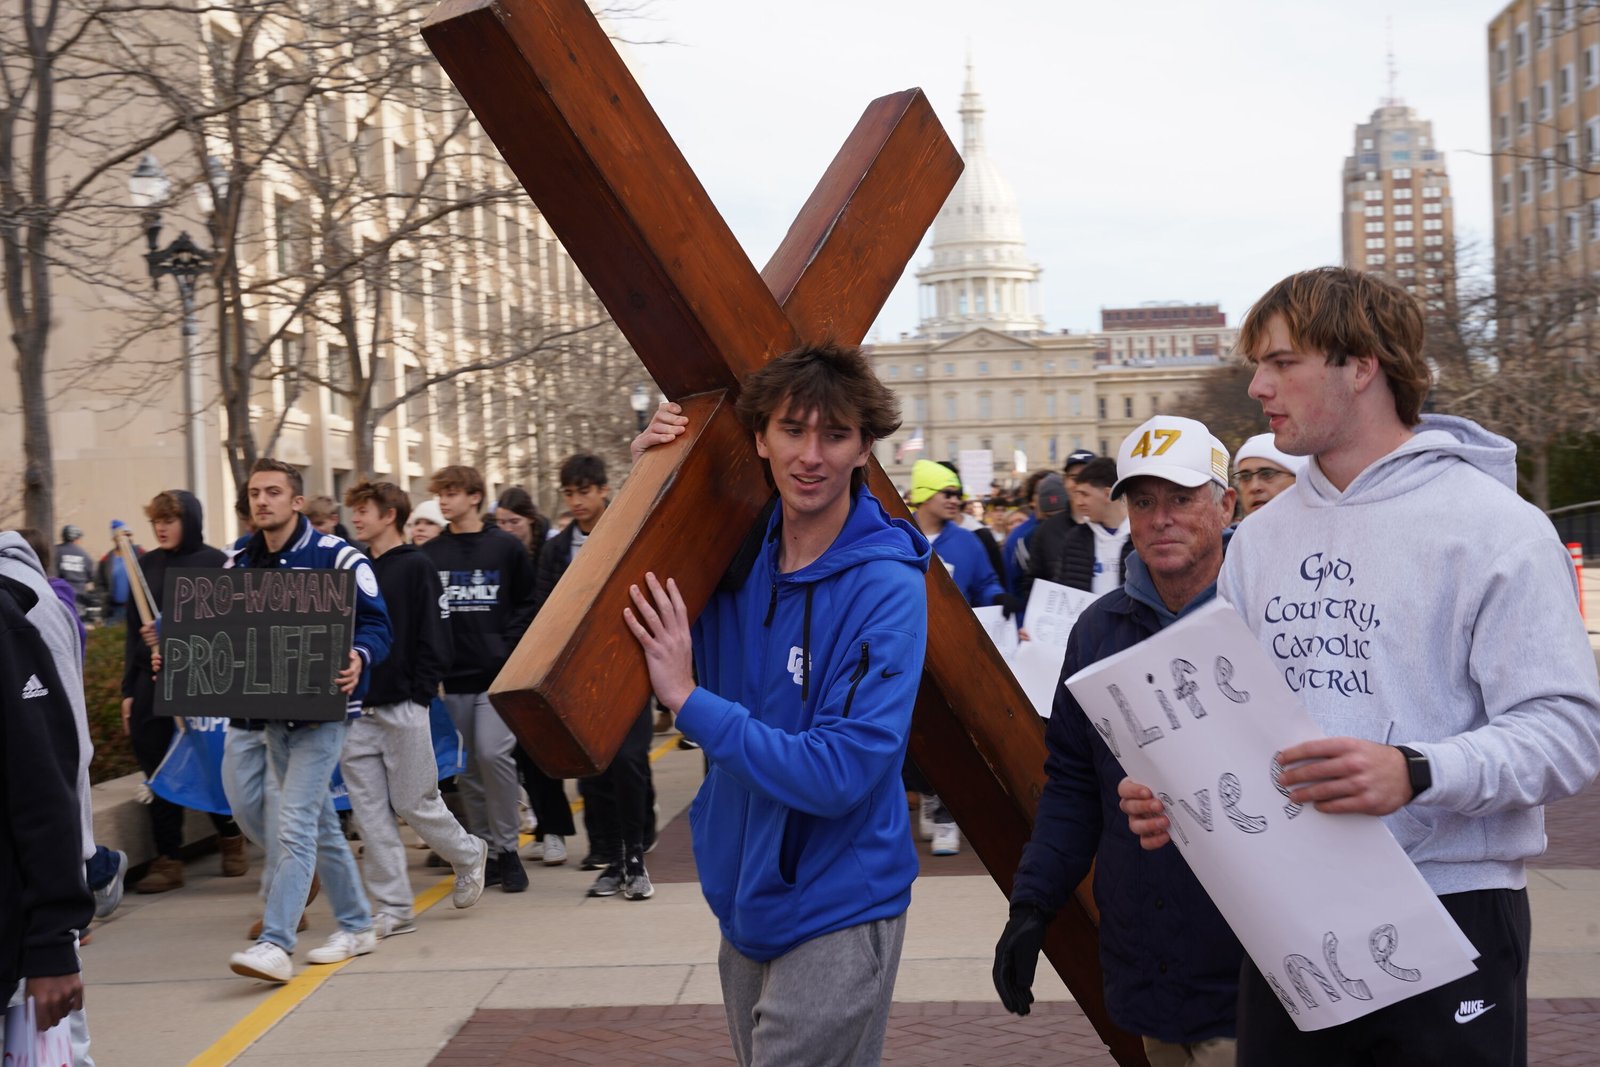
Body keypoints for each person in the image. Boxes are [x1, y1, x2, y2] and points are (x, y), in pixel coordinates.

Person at [1119, 267, 1600, 1067]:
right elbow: (1239, 719)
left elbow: (1568, 732)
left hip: (1452, 905)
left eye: (1281, 362)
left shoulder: (1495, 528)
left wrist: (1418, 770)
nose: (1257, 385)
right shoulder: (1263, 541)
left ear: (1362, 364)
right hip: (1289, 914)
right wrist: (1183, 789)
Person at [626, 342, 929, 1067]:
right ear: (760, 437)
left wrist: (689, 700)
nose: (811, 454)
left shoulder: (886, 586)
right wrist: (645, 486)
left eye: (835, 434)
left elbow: (841, 771)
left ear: (865, 448)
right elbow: (606, 624)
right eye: (793, 429)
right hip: (744, 901)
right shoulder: (728, 562)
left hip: (840, 902)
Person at [994, 416, 1244, 1067]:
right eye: (1143, 500)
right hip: (1148, 963)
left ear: (1226, 502)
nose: (1160, 517)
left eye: (1182, 498)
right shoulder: (1096, 631)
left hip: (1254, 975)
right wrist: (1033, 901)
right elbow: (1074, 783)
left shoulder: (1269, 614)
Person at [226, 458, 391, 984]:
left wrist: (360, 656)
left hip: (326, 711)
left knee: (294, 822)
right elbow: (215, 629)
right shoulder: (239, 563)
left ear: (297, 502)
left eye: (274, 492)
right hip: (271, 713)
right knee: (318, 824)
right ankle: (358, 926)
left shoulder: (338, 557)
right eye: (255, 493)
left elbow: (378, 626)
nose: (262, 501)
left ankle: (277, 942)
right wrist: (176, 651)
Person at [342, 480, 488, 937]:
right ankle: (394, 908)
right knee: (368, 812)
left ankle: (467, 853)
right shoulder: (352, 567)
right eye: (355, 511)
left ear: (390, 515)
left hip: (405, 703)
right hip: (355, 709)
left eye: (364, 510)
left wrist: (421, 693)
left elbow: (436, 634)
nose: (357, 518)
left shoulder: (418, 567)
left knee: (414, 801)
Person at [115, 491, 250, 894]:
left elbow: (231, 626)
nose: (161, 527)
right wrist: (128, 689)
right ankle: (168, 856)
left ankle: (230, 836)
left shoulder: (216, 564)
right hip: (149, 683)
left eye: (170, 519)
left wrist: (176, 641)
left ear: (188, 521)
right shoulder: (145, 566)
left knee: (210, 762)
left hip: (201, 680)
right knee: (157, 770)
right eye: (157, 520)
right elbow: (130, 633)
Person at [534, 454, 653, 897]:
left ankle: (636, 855)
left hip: (627, 663)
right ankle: (609, 855)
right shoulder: (555, 547)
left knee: (629, 761)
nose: (577, 500)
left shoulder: (625, 532)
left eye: (584, 491)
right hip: (576, 674)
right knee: (594, 767)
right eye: (569, 493)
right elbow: (543, 606)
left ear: (603, 489)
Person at [0, 533, 96, 1065]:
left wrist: (54, 933)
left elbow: (49, 765)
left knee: (52, 1049)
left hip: (24, 910)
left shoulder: (15, 605)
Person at [421, 464, 537, 893]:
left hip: (498, 678)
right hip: (453, 678)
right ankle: (484, 845)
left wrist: (506, 647)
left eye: (451, 492)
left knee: (492, 754)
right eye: (440, 493)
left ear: (474, 496)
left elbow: (527, 603)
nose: (444, 500)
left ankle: (509, 850)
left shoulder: (505, 548)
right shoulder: (431, 554)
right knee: (468, 768)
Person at [905, 458, 1008, 856]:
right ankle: (929, 794)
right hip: (902, 657)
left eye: (959, 494)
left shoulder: (967, 542)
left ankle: (947, 812)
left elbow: (987, 584)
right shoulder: (895, 535)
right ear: (926, 495)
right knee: (911, 739)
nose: (957, 500)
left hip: (954, 661)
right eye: (948, 493)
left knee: (954, 736)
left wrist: (1000, 599)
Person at [1030, 457, 1132, 595]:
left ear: (1108, 494)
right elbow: (1061, 589)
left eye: (1085, 495)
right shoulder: (1075, 539)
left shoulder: (1141, 537)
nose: (1078, 502)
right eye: (1077, 494)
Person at [1231, 433, 1306, 519]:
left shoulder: (1323, 529)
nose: (1254, 487)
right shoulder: (1240, 532)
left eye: (1267, 474)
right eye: (1245, 477)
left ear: (1298, 479)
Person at [93, 524, 140, 624]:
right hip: (114, 610)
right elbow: (99, 583)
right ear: (115, 538)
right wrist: (104, 597)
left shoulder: (140, 554)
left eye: (128, 535)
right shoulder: (106, 560)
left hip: (136, 609)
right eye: (123, 535)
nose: (127, 538)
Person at [53, 525, 94, 613]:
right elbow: (90, 577)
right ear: (77, 538)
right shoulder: (84, 555)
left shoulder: (55, 551)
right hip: (79, 600)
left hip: (59, 597)